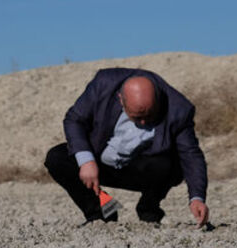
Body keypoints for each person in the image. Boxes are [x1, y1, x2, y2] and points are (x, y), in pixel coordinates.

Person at [44, 68, 210, 227]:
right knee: (57, 158)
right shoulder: (104, 84)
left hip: (142, 169)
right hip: (98, 163)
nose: (144, 123)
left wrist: (197, 198)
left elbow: (191, 154)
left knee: (173, 165)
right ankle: (102, 212)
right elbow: (74, 120)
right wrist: (86, 161)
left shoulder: (179, 109)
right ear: (120, 99)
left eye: (149, 116)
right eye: (137, 117)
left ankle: (149, 210)